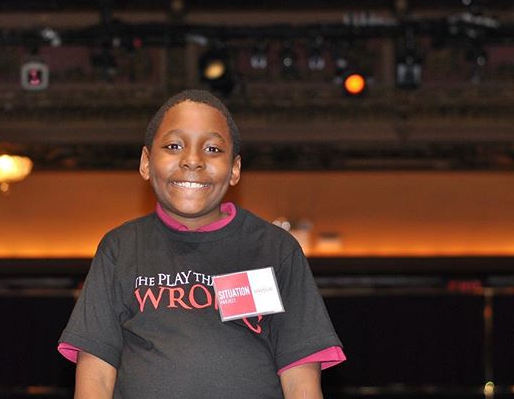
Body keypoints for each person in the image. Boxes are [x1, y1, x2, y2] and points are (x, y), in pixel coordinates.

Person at [58, 89, 345, 399]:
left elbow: (300, 382)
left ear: (235, 169)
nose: (192, 160)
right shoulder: (120, 248)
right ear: (145, 162)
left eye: (212, 148)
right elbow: (96, 376)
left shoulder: (275, 250)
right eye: (173, 146)